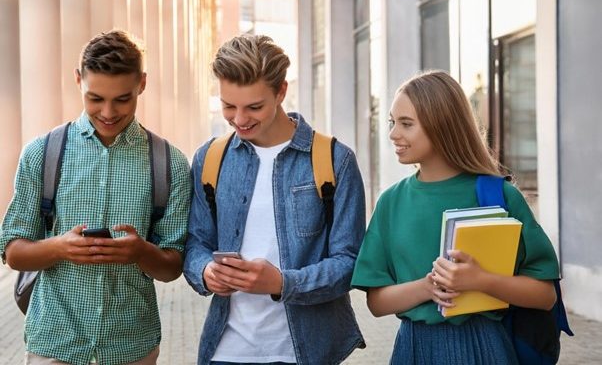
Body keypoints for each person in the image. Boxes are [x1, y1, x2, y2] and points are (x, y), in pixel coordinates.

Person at [0, 30, 191, 365]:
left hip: (131, 345)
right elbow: (13, 253)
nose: (107, 112)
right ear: (78, 80)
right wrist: (58, 247)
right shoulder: (41, 154)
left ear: (142, 84)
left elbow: (172, 267)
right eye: (95, 98)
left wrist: (140, 251)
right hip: (54, 343)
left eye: (122, 99)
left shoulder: (169, 163)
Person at [351, 70, 559, 364]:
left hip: (486, 347)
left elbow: (545, 295)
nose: (393, 134)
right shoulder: (391, 202)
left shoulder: (500, 196)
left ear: (442, 125)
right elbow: (376, 302)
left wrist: (481, 280)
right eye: (392, 122)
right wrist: (427, 287)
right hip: (413, 349)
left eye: (406, 124)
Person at [183, 34, 366, 365]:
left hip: (305, 352)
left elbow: (350, 263)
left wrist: (283, 283)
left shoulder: (334, 160)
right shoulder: (210, 159)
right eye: (228, 106)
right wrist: (206, 271)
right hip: (225, 351)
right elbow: (195, 243)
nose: (240, 119)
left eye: (254, 107)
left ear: (281, 91)